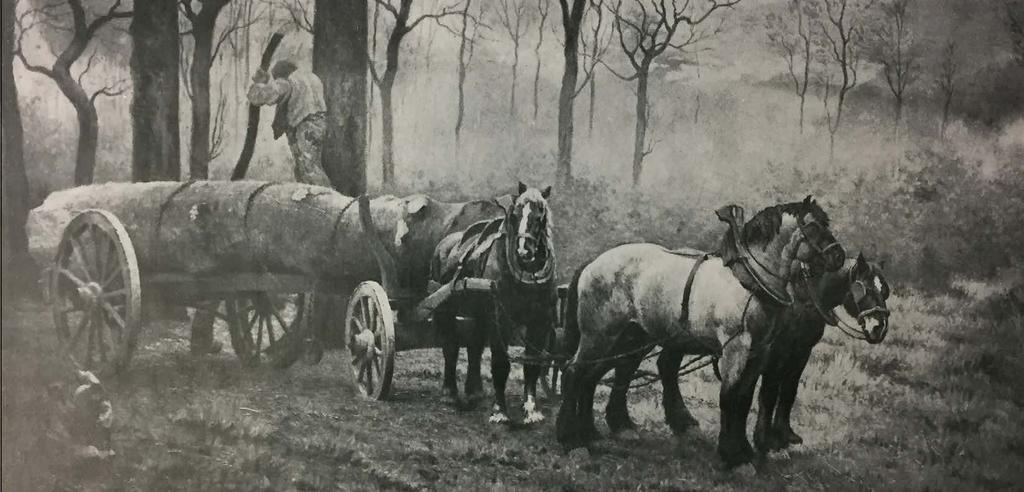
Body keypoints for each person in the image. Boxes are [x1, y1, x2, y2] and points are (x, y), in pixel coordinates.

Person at [247, 60, 332, 187]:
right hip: (320, 124)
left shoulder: (288, 82)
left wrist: (259, 83)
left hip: (304, 127)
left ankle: (325, 200)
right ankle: (317, 198)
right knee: (308, 166)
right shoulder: (312, 78)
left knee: (308, 168)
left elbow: (263, 96)